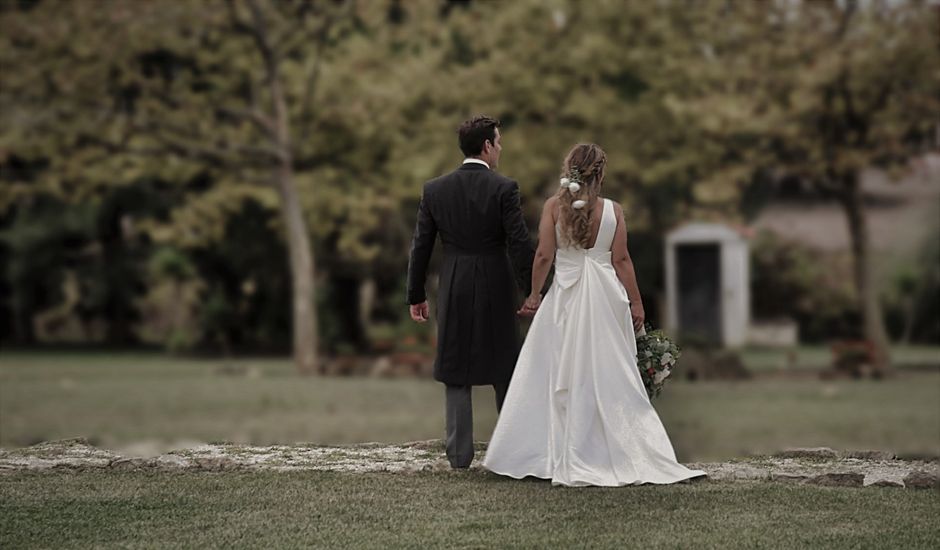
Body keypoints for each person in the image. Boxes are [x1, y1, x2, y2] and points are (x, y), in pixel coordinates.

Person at [482, 143, 706, 487]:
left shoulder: (554, 208)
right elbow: (621, 261)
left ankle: (549, 450)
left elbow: (543, 255)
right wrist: (636, 303)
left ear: (568, 169)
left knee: (556, 370)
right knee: (609, 371)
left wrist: (534, 294)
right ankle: (617, 448)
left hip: (566, 299)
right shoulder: (614, 210)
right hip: (605, 298)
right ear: (600, 173)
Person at [406, 115, 535, 469]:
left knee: (455, 362)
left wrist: (415, 294)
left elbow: (421, 246)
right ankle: (511, 451)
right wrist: (532, 290)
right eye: (499, 141)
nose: (501, 148)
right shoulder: (504, 188)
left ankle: (459, 455)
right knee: (504, 363)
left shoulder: (435, 189)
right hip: (496, 278)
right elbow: (520, 244)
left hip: (455, 282)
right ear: (487, 146)